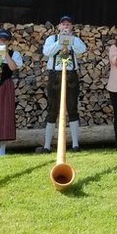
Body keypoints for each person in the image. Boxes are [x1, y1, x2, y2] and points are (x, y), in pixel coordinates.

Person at [38, 15, 88, 153]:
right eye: (63, 24)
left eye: (68, 24)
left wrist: (70, 41)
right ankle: (47, 146)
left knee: (72, 108)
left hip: (71, 74)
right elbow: (47, 52)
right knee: (52, 108)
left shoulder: (76, 40)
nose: (66, 26)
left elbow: (81, 51)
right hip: (55, 74)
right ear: (59, 26)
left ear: (71, 27)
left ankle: (75, 144)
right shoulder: (51, 39)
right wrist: (61, 41)